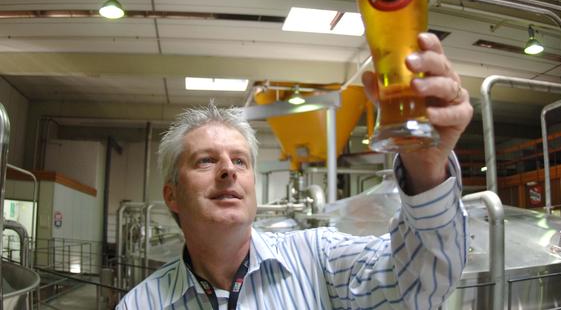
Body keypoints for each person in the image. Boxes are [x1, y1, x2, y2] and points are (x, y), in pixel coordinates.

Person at [116, 32, 473, 309]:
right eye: (206, 160)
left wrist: (426, 169)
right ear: (171, 194)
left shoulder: (317, 257)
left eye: (240, 160)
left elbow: (418, 285)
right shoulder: (139, 304)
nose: (228, 170)